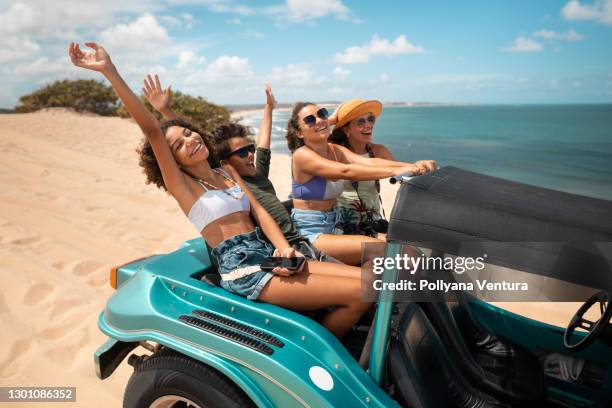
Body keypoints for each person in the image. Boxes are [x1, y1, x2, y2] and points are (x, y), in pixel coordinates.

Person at [68, 42, 370, 338]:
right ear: (170, 160)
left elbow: (260, 213)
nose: (189, 139)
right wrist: (110, 71)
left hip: (269, 255)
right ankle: (329, 364)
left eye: (188, 132)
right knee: (361, 292)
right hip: (243, 270)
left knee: (369, 282)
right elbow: (151, 131)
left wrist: (283, 248)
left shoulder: (224, 172)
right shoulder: (182, 187)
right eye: (178, 144)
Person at [142, 80, 337, 262]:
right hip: (288, 247)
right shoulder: (232, 184)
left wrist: (269, 108)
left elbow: (263, 142)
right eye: (242, 152)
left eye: (249, 149)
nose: (250, 155)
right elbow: (192, 144)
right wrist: (165, 110)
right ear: (225, 161)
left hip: (298, 239)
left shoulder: (257, 173)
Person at [286, 102, 431, 265]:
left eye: (322, 114)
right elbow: (346, 171)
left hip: (337, 224)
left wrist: (412, 166)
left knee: (405, 247)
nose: (319, 120)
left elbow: (366, 163)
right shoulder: (302, 156)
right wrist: (396, 171)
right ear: (299, 133)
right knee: (381, 250)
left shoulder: (334, 150)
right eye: (310, 119)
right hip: (312, 232)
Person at [329, 99, 437, 237]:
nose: (368, 125)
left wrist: (418, 166)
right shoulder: (334, 150)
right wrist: (330, 121)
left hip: (373, 222)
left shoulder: (379, 151)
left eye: (370, 119)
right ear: (346, 129)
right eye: (360, 121)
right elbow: (370, 164)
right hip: (343, 224)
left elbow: (398, 170)